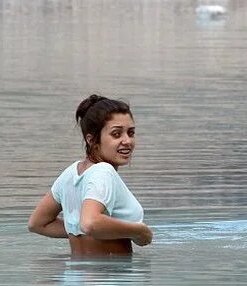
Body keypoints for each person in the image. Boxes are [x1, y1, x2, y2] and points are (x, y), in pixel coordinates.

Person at [28, 95, 153, 256]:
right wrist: (139, 231)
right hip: (110, 277)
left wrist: (77, 230)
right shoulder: (104, 172)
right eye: (116, 134)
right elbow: (90, 222)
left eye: (131, 133)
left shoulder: (70, 173)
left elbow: (37, 224)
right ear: (91, 140)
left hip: (74, 278)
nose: (127, 141)